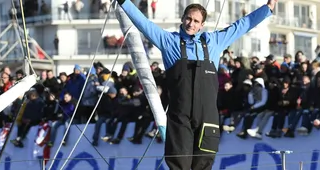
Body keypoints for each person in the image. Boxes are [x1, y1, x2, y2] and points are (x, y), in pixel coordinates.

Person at [118, 0, 276, 169]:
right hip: (180, 117)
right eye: (188, 19)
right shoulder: (168, 41)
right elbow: (143, 23)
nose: (191, 24)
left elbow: (242, 25)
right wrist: (124, 2)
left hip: (207, 116)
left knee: (204, 162)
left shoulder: (214, 41)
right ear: (182, 19)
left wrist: (267, 9)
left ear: (202, 25)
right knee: (179, 163)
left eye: (195, 21)